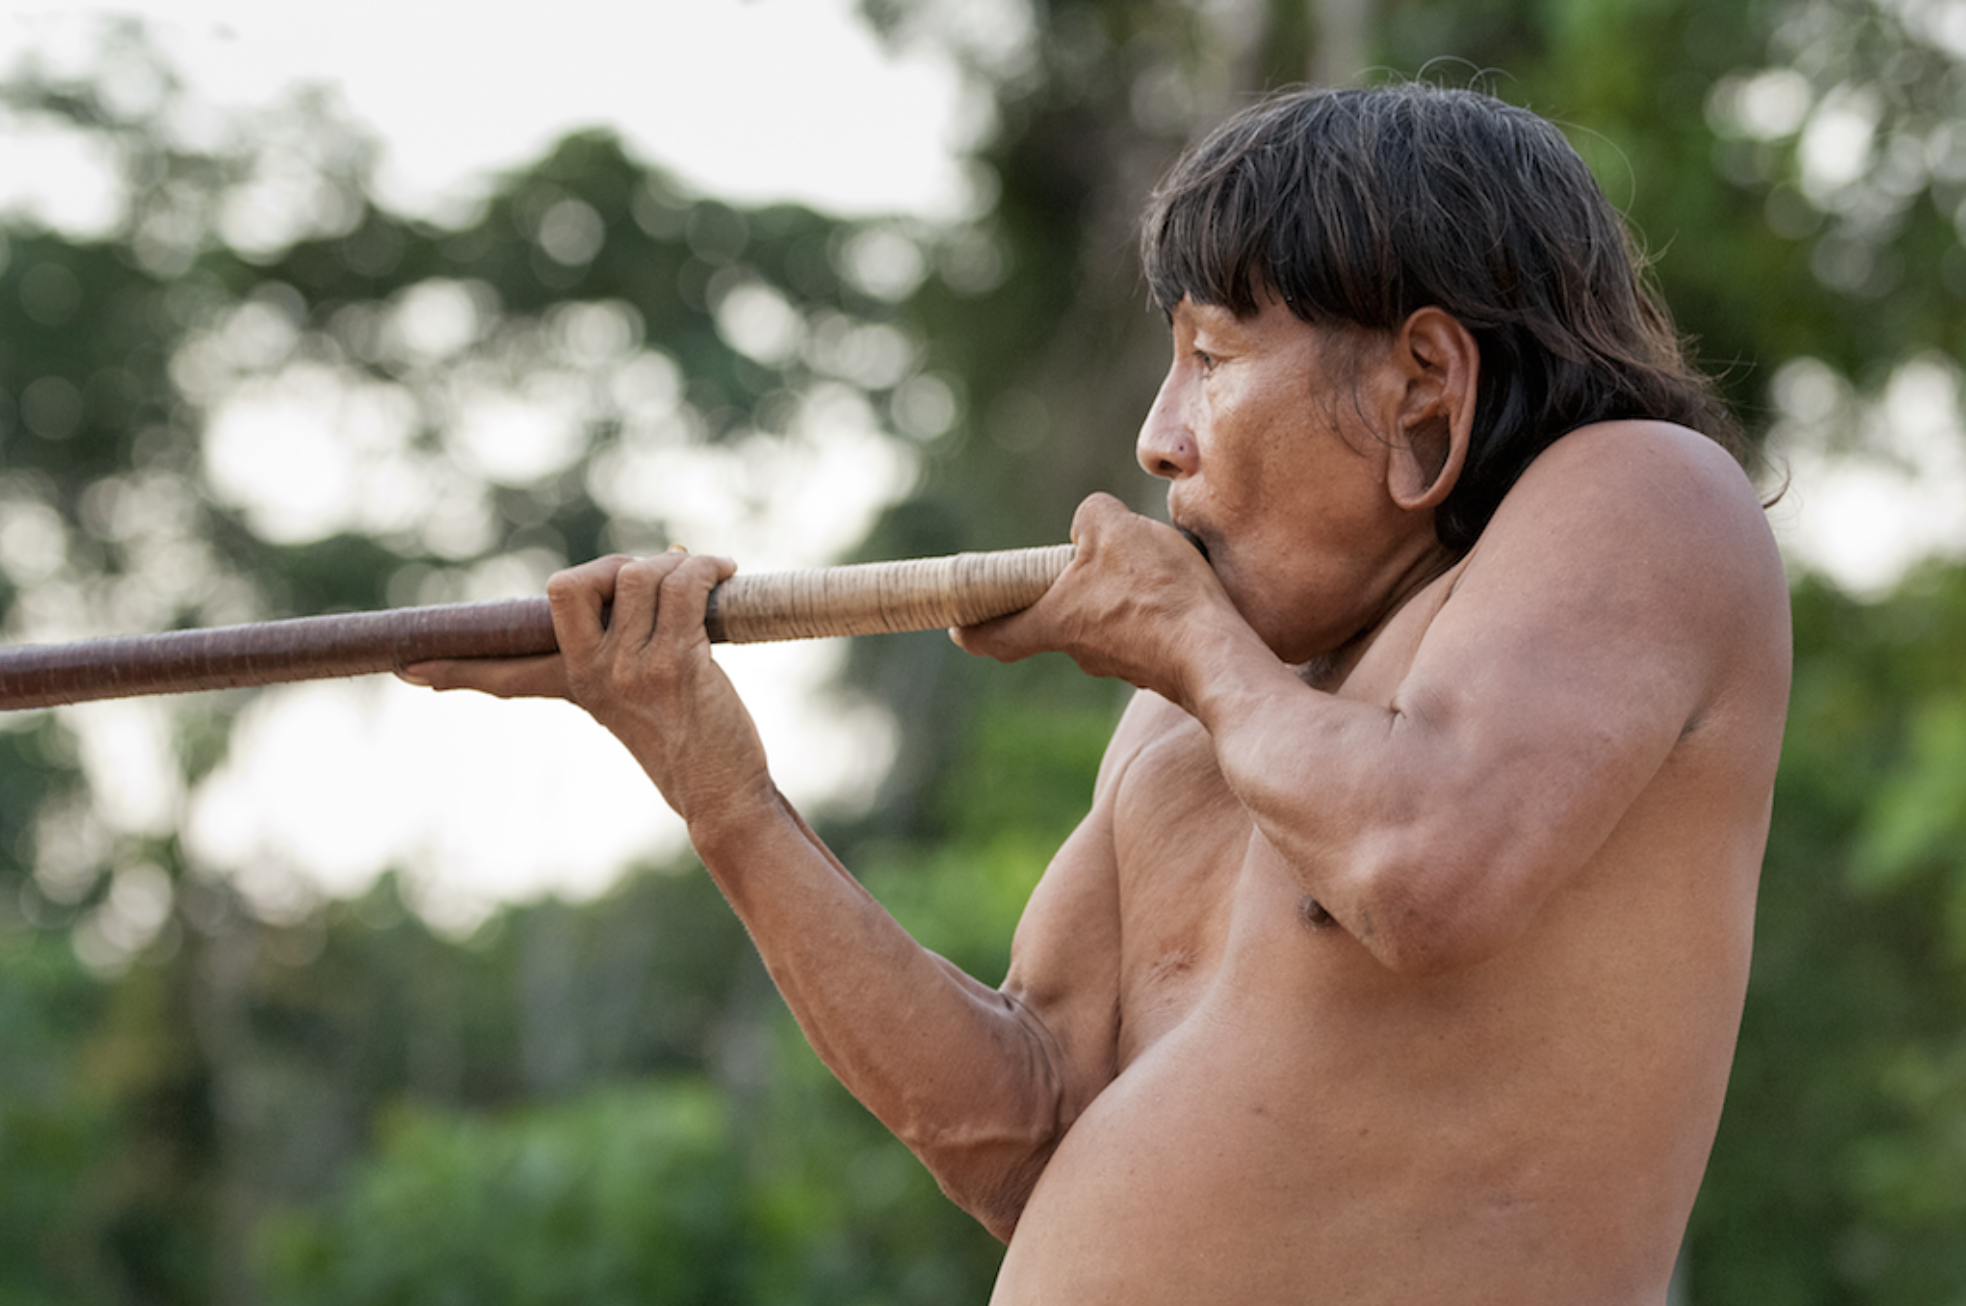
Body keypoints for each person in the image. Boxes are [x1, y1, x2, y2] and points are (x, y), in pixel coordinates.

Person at [401, 82, 1791, 1305]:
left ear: (1422, 387)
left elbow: (1422, 868)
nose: (1157, 437)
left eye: (1210, 358)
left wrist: (1187, 643)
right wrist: (716, 784)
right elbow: (1013, 1132)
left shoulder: (1645, 493)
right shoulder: (1206, 699)